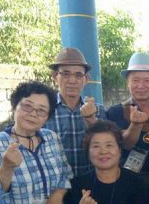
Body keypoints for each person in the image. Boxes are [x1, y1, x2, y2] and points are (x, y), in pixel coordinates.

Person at [106, 52, 149, 193]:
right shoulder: (114, 113)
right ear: (128, 83)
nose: (141, 86)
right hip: (125, 183)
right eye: (135, 80)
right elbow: (123, 144)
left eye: (147, 80)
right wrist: (135, 125)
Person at [45, 47, 106, 177]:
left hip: (91, 186)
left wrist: (92, 120)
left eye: (78, 75)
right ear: (55, 77)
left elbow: (107, 147)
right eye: (66, 74)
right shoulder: (44, 110)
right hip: (56, 188)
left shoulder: (99, 110)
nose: (72, 81)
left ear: (86, 78)